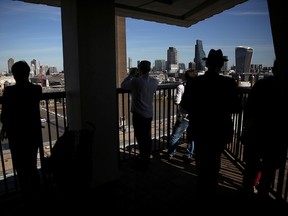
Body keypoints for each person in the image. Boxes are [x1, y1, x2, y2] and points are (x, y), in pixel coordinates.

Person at [180, 49, 242, 198]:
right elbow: (237, 108)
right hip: (219, 129)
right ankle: (211, 190)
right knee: (215, 160)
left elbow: (185, 106)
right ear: (221, 65)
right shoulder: (229, 83)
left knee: (201, 159)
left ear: (206, 64)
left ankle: (202, 189)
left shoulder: (194, 82)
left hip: (200, 127)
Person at [241, 59, 288, 200]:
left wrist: (246, 129)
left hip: (256, 132)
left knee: (251, 166)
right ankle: (263, 193)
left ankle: (247, 191)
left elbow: (248, 110)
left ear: (273, 70)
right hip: (276, 136)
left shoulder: (261, 85)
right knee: (269, 168)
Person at [0, 60, 43, 201]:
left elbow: (5, 114)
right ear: (28, 73)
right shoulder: (37, 89)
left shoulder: (9, 91)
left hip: (16, 134)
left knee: (20, 167)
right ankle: (39, 195)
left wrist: (4, 130)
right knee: (32, 164)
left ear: (14, 75)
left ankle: (27, 197)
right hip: (32, 132)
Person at [121, 61, 158, 170]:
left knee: (140, 137)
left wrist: (131, 75)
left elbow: (123, 86)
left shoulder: (136, 81)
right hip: (149, 113)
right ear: (150, 69)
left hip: (138, 114)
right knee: (146, 136)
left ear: (139, 69)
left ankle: (143, 158)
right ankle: (146, 156)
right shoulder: (154, 81)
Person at [167, 69, 196, 162]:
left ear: (185, 77)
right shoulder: (199, 87)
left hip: (184, 114)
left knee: (176, 135)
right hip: (195, 115)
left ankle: (171, 153)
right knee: (192, 137)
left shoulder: (181, 86)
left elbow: (177, 101)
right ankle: (188, 154)